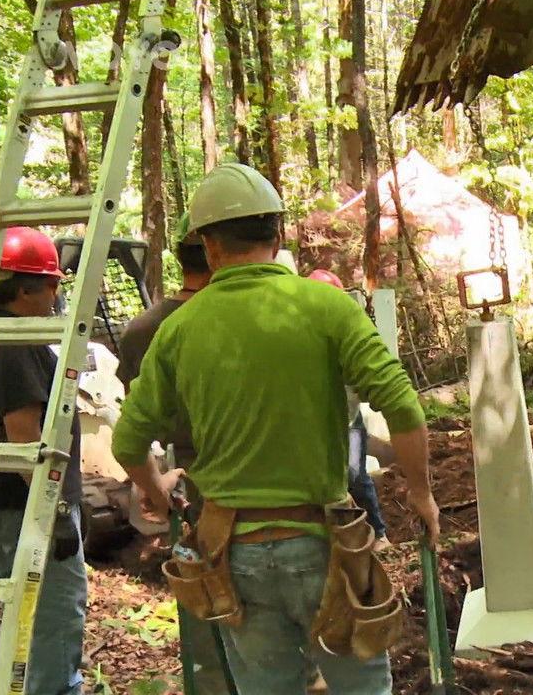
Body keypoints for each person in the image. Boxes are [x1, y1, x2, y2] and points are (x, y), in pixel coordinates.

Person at [111, 163, 439, 694]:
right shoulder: (326, 307)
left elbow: (128, 443)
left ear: (208, 247)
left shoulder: (178, 330)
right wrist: (422, 494)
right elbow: (401, 404)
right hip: (324, 545)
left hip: (232, 553)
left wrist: (155, 495)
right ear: (279, 234)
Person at [115, 218, 233, 693]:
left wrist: (153, 481)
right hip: (239, 472)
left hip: (185, 472)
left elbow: (137, 425)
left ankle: (213, 679)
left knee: (205, 592)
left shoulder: (142, 329)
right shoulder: (230, 319)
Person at [0, 227, 87, 695]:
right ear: (27, 287)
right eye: (52, 283)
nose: (57, 293)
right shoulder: (15, 342)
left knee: (11, 634)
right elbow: (25, 438)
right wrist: (60, 515)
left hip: (3, 511)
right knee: (50, 629)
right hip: (25, 515)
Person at [306, 268, 392, 552]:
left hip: (348, 420)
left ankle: (377, 533)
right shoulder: (299, 337)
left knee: (354, 474)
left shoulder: (350, 333)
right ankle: (328, 542)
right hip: (312, 425)